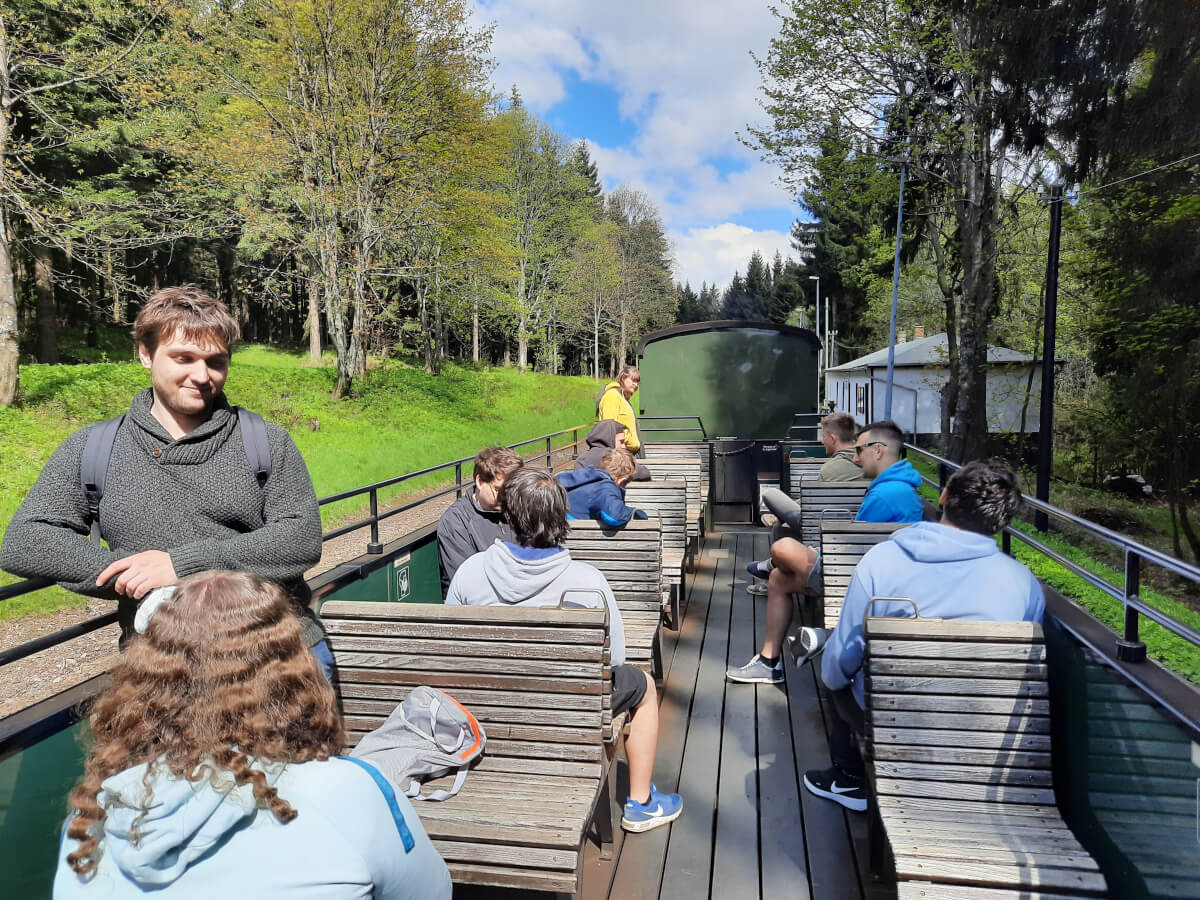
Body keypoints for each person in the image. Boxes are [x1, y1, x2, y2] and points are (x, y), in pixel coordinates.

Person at [53, 570, 452, 899]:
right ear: (294, 673)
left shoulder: (94, 816)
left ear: (146, 680)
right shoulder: (353, 792)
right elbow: (431, 893)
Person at [0, 286, 328, 670]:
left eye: (216, 361)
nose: (202, 376)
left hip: (276, 658)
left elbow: (301, 539)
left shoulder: (265, 441)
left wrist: (181, 565)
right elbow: (25, 542)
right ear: (144, 353)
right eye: (183, 358)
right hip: (160, 666)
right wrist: (140, 578)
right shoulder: (95, 447)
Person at [445, 467, 682, 833]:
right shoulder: (587, 583)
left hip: (488, 711)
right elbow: (615, 659)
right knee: (643, 686)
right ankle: (641, 803)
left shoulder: (469, 573)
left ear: (507, 516)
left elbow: (452, 651)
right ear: (561, 519)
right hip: (568, 711)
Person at [804, 460, 1045, 812]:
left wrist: (832, 674)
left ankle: (849, 779)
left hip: (897, 721)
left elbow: (842, 659)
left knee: (834, 670)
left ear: (944, 496)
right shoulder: (1024, 584)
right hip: (983, 732)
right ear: (1003, 521)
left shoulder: (882, 560)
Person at [727, 420, 924, 685]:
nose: (855, 459)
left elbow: (856, 546)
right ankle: (768, 662)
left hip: (855, 578)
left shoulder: (889, 493)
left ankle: (773, 565)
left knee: (783, 547)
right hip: (855, 568)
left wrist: (819, 554)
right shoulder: (895, 487)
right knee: (778, 580)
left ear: (878, 450)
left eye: (860, 451)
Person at [748, 412, 864, 594]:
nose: (822, 442)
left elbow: (813, 507)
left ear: (833, 438)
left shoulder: (831, 469)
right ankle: (772, 571)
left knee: (771, 495)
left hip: (820, 527)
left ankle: (771, 568)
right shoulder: (868, 465)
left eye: (824, 436)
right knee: (781, 527)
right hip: (847, 528)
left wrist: (786, 509)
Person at [436, 446, 523, 592]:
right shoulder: (456, 522)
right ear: (480, 482)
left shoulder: (521, 509)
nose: (507, 498)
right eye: (499, 490)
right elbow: (465, 582)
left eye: (513, 490)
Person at [557, 449, 648, 528]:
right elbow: (613, 516)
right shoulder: (606, 487)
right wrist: (633, 513)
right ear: (621, 481)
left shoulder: (583, 480)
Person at [575, 419, 651, 481]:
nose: (624, 446)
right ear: (609, 439)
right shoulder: (614, 457)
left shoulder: (581, 459)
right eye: (621, 442)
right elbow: (644, 473)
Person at [597, 365, 643, 454]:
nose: (636, 384)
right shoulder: (612, 396)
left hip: (628, 452)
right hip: (620, 454)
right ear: (623, 378)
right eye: (633, 380)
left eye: (637, 381)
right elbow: (609, 427)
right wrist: (620, 449)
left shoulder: (623, 398)